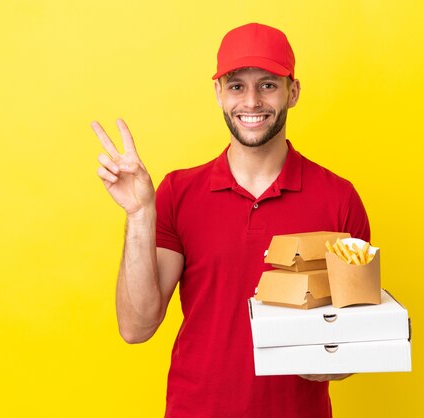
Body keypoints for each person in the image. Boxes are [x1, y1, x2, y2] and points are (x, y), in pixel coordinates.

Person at [92, 23, 370, 418]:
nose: (252, 101)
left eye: (268, 85)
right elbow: (136, 328)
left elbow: (355, 337)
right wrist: (139, 214)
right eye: (237, 86)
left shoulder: (339, 200)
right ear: (219, 94)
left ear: (293, 92)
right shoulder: (177, 193)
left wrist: (333, 362)